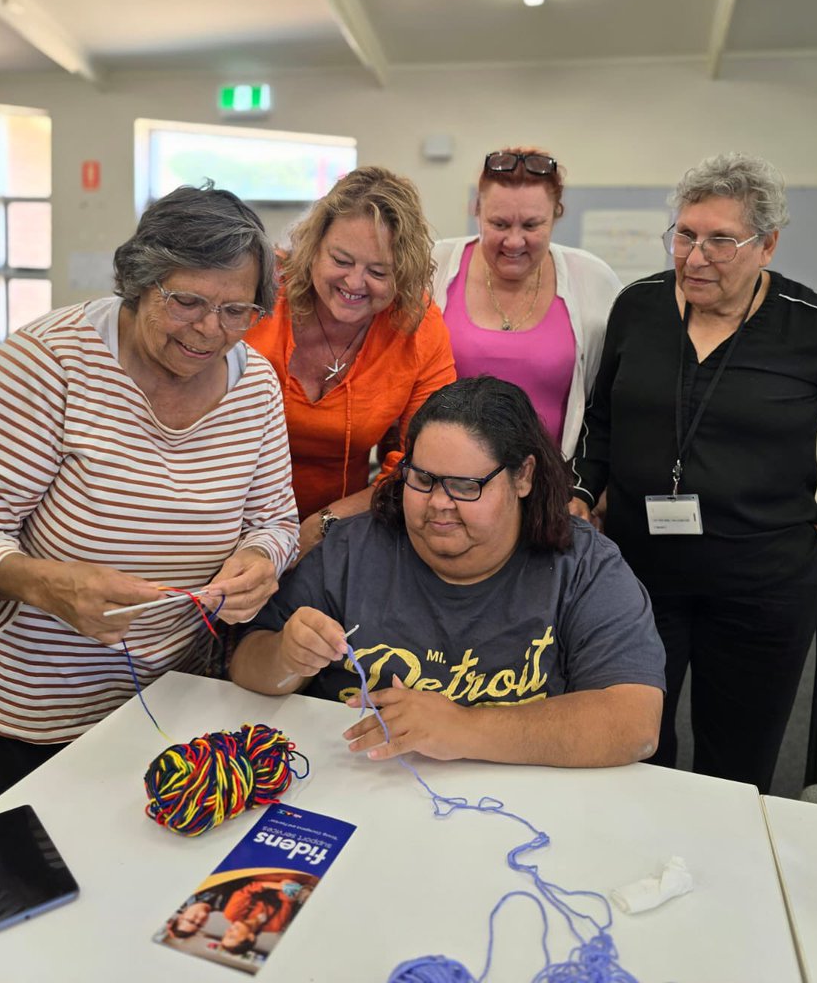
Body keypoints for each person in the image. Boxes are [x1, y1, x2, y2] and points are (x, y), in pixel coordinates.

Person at [0, 184, 299, 813]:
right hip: (35, 718)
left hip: (179, 706)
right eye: (188, 302)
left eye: (237, 311)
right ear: (140, 282)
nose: (210, 331)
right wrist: (47, 586)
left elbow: (275, 520)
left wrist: (262, 560)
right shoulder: (46, 367)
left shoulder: (254, 385)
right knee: (36, 894)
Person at [569, 152, 817, 792]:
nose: (695, 257)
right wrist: (583, 491)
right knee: (631, 749)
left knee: (736, 767)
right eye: (684, 234)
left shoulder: (815, 326)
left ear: (767, 245)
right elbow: (602, 419)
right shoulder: (639, 307)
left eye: (720, 241)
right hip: (637, 577)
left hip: (763, 587)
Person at [231, 376, 665, 768]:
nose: (439, 502)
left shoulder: (582, 566)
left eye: (465, 486)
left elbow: (634, 722)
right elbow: (246, 665)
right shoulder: (352, 549)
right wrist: (286, 658)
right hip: (356, 789)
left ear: (523, 478)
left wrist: (463, 728)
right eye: (421, 479)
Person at [246, 166, 456, 559]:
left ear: (403, 274)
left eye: (378, 272)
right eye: (341, 260)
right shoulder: (262, 290)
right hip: (228, 515)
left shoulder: (417, 326)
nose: (355, 283)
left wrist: (326, 522)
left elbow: (423, 458)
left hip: (337, 533)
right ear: (312, 248)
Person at [433, 147, 620, 455]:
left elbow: (607, 402)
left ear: (556, 215)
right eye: (500, 224)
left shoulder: (592, 278)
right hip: (448, 479)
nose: (514, 241)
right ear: (476, 209)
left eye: (531, 225)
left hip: (552, 483)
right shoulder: (435, 267)